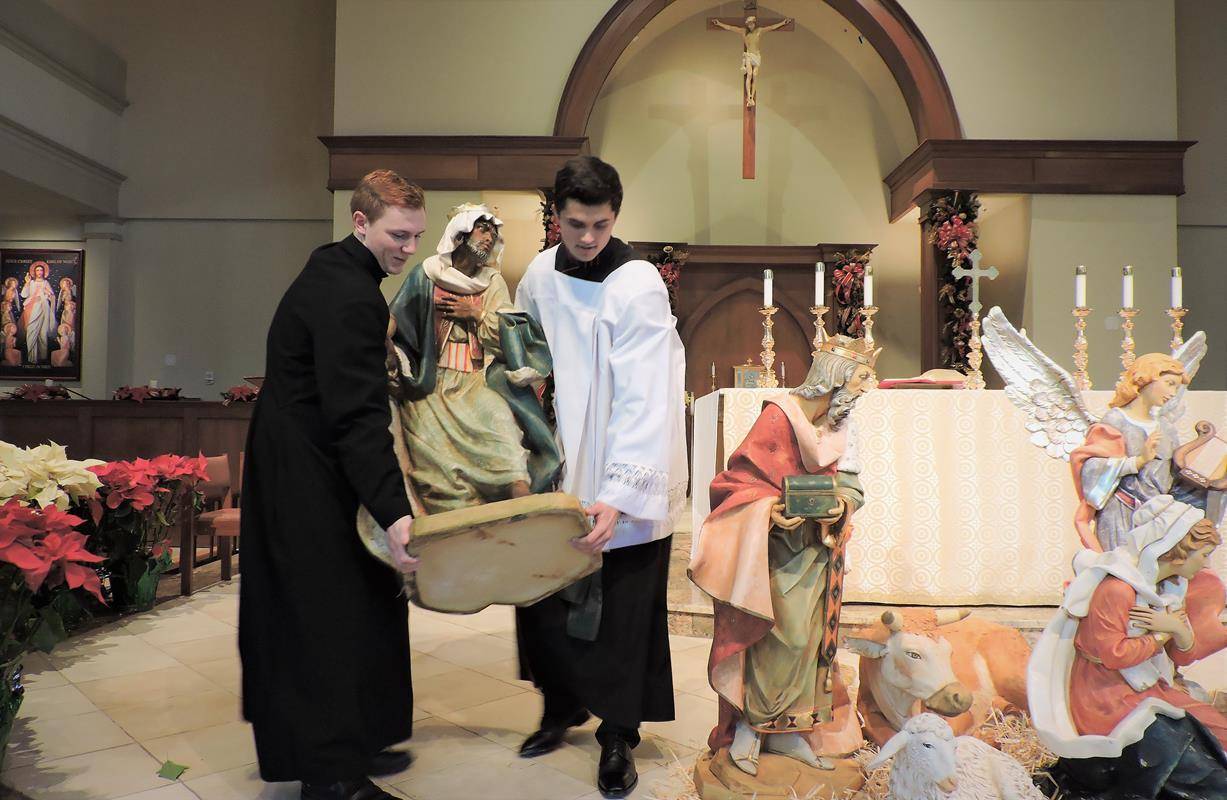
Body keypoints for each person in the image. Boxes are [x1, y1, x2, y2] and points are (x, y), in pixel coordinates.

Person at [239, 169, 425, 800]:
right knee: (325, 616)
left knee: (362, 602)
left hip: (305, 460)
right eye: (398, 235)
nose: (409, 249)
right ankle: (331, 776)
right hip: (307, 475)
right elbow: (357, 416)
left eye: (415, 236)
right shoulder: (350, 295)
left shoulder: (338, 272)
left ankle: (359, 739)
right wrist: (396, 513)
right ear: (361, 223)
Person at [513, 156, 688, 798]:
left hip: (621, 457)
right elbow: (522, 354)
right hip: (557, 461)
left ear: (616, 217)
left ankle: (618, 733)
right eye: (576, 224)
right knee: (545, 595)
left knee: (623, 604)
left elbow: (648, 393)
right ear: (556, 216)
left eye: (601, 224)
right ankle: (559, 705)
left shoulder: (637, 281)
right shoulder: (537, 272)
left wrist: (619, 491)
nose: (588, 238)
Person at [689, 338, 876, 776]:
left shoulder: (840, 425)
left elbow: (851, 485)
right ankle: (750, 727)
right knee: (774, 634)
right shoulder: (780, 416)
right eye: (862, 376)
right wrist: (770, 510)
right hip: (772, 550)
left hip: (818, 548)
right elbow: (735, 483)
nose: (868, 387)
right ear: (835, 374)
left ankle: (790, 729)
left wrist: (840, 505)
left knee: (808, 640)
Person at [1029, 495, 1227, 797]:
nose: (1205, 564)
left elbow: (1182, 655)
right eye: (1203, 555)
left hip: (1142, 684)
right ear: (1177, 552)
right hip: (1105, 695)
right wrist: (1159, 637)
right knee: (1194, 762)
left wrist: (1175, 629)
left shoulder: (1166, 589)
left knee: (1215, 724)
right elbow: (1113, 655)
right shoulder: (1117, 590)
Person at [388, 203, 558, 512]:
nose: (490, 237)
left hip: (474, 379)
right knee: (430, 442)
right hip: (433, 381)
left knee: (498, 418)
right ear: (461, 232)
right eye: (483, 229)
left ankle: (519, 494)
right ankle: (454, 511)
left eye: (494, 232)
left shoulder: (491, 282)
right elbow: (397, 327)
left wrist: (478, 314)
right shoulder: (427, 275)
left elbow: (509, 335)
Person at [1071, 353, 1222, 552]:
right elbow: (1091, 472)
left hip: (1160, 518)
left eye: (1177, 387)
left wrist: (1206, 476)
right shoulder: (1116, 420)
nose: (1173, 393)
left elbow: (1173, 475)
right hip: (1123, 514)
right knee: (1124, 574)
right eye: (1169, 383)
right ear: (1147, 378)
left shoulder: (1166, 428)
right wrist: (1138, 461)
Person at [19, 263, 55, 363]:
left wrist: (47, 295)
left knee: (43, 334)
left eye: (41, 270)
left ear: (44, 272)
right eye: (37, 270)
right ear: (34, 272)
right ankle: (31, 358)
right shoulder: (31, 282)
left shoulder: (45, 283)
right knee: (31, 331)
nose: (39, 272)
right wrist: (27, 283)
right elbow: (23, 294)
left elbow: (51, 296)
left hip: (43, 309)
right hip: (31, 308)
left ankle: (42, 357)